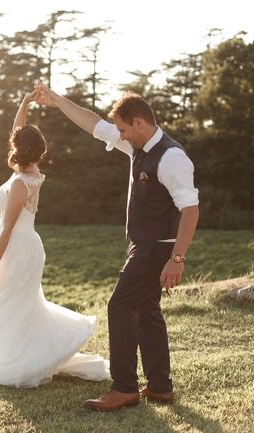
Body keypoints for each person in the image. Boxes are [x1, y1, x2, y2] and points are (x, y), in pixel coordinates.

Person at [36, 82, 199, 411]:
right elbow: (93, 124)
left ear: (140, 123)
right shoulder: (137, 147)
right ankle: (160, 386)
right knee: (147, 311)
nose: (120, 136)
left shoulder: (171, 157)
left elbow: (191, 210)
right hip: (145, 244)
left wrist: (177, 258)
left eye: (124, 130)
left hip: (157, 248)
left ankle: (124, 387)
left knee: (119, 306)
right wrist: (57, 101)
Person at [0, 89, 110, 388]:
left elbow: (8, 227)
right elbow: (16, 133)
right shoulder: (29, 171)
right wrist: (23, 103)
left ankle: (14, 365)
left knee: (12, 307)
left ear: (18, 149)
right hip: (24, 245)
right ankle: (18, 358)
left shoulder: (21, 183)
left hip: (17, 249)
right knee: (18, 307)